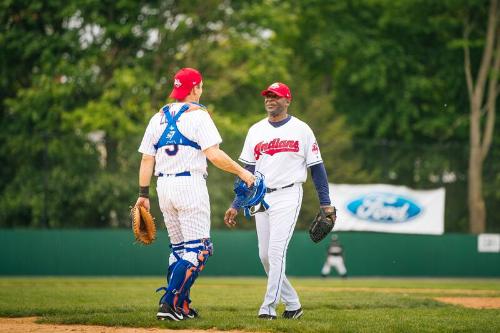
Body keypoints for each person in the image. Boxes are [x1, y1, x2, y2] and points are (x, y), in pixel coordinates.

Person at [135, 67, 255, 321]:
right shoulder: (199, 116)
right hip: (189, 185)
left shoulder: (158, 117)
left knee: (179, 250)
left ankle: (182, 305)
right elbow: (213, 155)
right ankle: (169, 303)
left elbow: (147, 159)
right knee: (200, 249)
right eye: (200, 86)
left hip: (163, 186)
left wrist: (143, 194)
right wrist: (244, 173)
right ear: (195, 88)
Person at [224, 82, 336, 320]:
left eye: (275, 96)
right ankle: (293, 305)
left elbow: (317, 168)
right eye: (267, 96)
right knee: (264, 255)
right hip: (259, 195)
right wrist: (236, 203)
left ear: (287, 100)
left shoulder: (301, 129)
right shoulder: (255, 130)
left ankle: (268, 308)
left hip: (288, 194)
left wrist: (325, 202)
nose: (270, 100)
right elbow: (247, 171)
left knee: (276, 252)